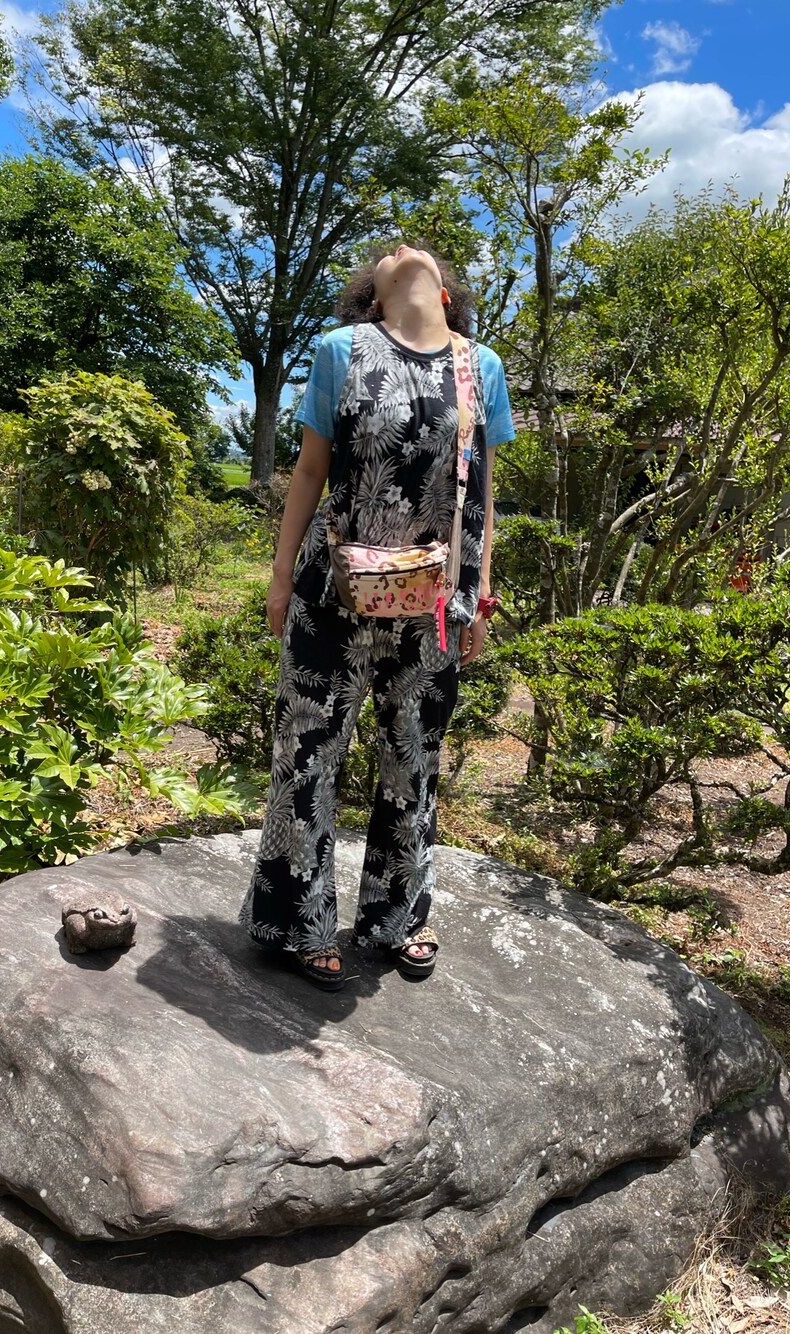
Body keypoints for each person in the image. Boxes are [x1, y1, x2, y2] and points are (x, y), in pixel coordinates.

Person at [239, 244, 515, 990]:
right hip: (331, 593)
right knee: (307, 751)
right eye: (387, 255)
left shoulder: (481, 367)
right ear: (376, 294)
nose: (401, 248)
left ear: (447, 295)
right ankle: (298, 923)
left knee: (413, 760)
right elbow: (309, 470)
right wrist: (278, 580)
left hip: (433, 606)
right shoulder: (342, 350)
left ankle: (398, 917)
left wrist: (480, 597)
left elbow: (482, 495)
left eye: (413, 250)